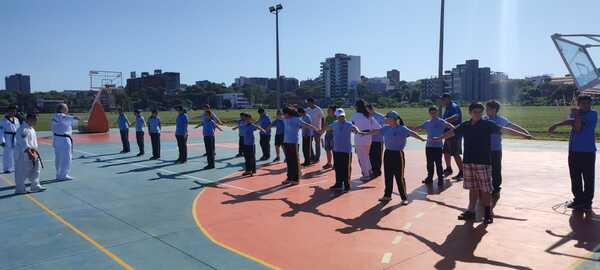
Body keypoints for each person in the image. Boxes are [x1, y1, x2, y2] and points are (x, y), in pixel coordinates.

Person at [436, 103, 532, 224]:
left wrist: (524, 134)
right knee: (473, 187)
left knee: (485, 189)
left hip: (483, 161)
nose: (478, 114)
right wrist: (439, 138)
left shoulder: (487, 124)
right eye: (475, 112)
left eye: (480, 112)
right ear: (470, 113)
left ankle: (487, 213)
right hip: (469, 161)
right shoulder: (465, 125)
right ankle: (471, 211)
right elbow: (453, 132)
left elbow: (505, 129)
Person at [365, 111, 426, 203]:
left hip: (398, 155)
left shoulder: (402, 128)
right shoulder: (385, 128)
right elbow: (375, 131)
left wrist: (421, 139)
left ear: (393, 119)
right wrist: (363, 133)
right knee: (388, 175)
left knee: (399, 176)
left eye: (387, 118)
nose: (385, 119)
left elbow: (412, 133)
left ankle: (404, 198)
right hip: (387, 154)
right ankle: (387, 195)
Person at [549, 95, 597, 211]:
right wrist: (557, 124)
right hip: (574, 151)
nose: (587, 106)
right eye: (583, 103)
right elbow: (570, 121)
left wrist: (577, 115)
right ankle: (578, 199)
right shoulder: (576, 113)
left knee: (588, 178)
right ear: (579, 104)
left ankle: (587, 202)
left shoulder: (592, 114)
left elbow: (577, 127)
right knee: (575, 177)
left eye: (588, 104)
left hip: (587, 151)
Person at [484, 100, 531, 195]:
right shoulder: (484, 119)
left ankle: (496, 187)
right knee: (485, 168)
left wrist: (524, 131)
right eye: (486, 108)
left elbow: (512, 126)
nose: (486, 110)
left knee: (496, 168)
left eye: (488, 108)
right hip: (484, 149)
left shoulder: (501, 119)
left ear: (495, 110)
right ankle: (486, 186)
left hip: (496, 149)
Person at [323, 108, 364, 192]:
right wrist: (321, 129)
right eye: (339, 116)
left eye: (342, 116)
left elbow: (354, 128)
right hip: (336, 150)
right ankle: (338, 184)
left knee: (346, 168)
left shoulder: (349, 124)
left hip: (346, 150)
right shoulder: (334, 124)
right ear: (337, 117)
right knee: (338, 168)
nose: (341, 118)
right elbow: (327, 128)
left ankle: (347, 185)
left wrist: (357, 130)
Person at [415, 106, 452, 185]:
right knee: (429, 163)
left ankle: (440, 179)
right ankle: (429, 178)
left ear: (437, 112)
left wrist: (445, 135)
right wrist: (405, 128)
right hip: (429, 146)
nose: (433, 114)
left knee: (438, 163)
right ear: (429, 113)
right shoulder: (427, 122)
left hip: (438, 147)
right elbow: (417, 128)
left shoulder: (442, 122)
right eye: (431, 113)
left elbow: (452, 127)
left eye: (434, 113)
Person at [281, 107, 318, 185]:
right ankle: (289, 178)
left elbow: (306, 125)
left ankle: (295, 179)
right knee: (289, 161)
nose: (283, 115)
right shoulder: (285, 119)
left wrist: (314, 128)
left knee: (294, 161)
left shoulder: (296, 119)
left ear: (288, 113)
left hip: (293, 142)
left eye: (284, 113)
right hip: (286, 142)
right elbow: (278, 117)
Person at [14, 113, 45, 194]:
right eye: (35, 120)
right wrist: (29, 153)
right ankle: (20, 189)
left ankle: (35, 186)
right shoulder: (23, 129)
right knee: (22, 172)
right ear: (30, 119)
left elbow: (33, 142)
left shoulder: (31, 128)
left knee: (36, 170)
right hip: (23, 154)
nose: (36, 122)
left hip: (33, 152)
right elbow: (23, 142)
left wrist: (35, 152)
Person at [351, 99, 381, 180]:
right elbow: (378, 128)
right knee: (366, 156)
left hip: (359, 137)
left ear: (357, 106)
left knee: (362, 157)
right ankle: (370, 171)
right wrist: (369, 133)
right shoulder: (368, 115)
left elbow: (352, 126)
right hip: (368, 138)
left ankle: (366, 175)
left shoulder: (355, 115)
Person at [52, 103, 79, 181]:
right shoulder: (59, 116)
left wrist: (74, 119)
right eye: (66, 108)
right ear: (62, 109)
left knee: (59, 157)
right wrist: (74, 117)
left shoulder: (57, 116)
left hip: (58, 139)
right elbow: (65, 118)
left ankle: (59, 174)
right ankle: (63, 174)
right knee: (66, 157)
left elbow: (70, 122)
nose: (67, 109)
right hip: (63, 139)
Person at [440, 93, 464, 180]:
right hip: (447, 134)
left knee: (455, 153)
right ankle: (449, 168)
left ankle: (462, 172)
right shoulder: (446, 108)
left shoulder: (453, 106)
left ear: (448, 99)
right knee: (446, 152)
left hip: (455, 134)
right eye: (441, 99)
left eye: (443, 99)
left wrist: (443, 121)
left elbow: (456, 117)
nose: (441, 101)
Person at [0, 104, 20, 173]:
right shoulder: (3, 120)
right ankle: (7, 168)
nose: (13, 113)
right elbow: (1, 131)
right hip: (7, 137)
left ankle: (16, 166)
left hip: (15, 138)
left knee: (16, 153)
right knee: (7, 153)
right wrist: (2, 141)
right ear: (8, 111)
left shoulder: (16, 119)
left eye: (15, 111)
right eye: (12, 111)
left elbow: (18, 129)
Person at [367, 104, 385, 178]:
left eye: (368, 110)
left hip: (378, 140)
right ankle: (372, 170)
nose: (367, 111)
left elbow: (382, 128)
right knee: (370, 155)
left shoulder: (380, 117)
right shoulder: (366, 116)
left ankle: (377, 171)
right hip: (369, 139)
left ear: (372, 109)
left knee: (377, 156)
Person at [306, 98, 325, 163]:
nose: (308, 104)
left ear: (312, 102)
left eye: (309, 103)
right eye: (307, 103)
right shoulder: (307, 109)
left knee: (317, 144)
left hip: (317, 129)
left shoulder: (318, 109)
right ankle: (312, 156)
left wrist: (322, 128)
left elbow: (323, 118)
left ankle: (317, 158)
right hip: (309, 129)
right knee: (309, 143)